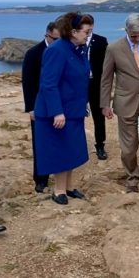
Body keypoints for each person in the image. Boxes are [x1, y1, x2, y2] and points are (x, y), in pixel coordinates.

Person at [100, 13, 139, 200]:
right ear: (126, 30)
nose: (137, 39)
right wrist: (105, 104)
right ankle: (132, 178)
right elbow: (106, 79)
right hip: (125, 102)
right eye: (134, 35)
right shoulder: (113, 48)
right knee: (129, 146)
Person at [33, 12, 93, 205]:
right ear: (74, 31)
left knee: (72, 150)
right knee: (61, 150)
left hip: (73, 110)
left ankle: (68, 186)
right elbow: (48, 84)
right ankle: (58, 190)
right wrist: (57, 111)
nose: (88, 35)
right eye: (86, 31)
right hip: (58, 113)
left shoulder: (78, 49)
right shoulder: (57, 50)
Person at [21, 21, 60, 193]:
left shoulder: (63, 52)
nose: (58, 43)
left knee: (59, 141)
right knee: (40, 143)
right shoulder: (33, 53)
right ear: (47, 35)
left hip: (59, 104)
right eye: (54, 39)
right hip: (39, 106)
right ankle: (40, 179)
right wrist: (31, 108)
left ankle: (60, 176)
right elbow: (28, 83)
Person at [86, 16, 109, 160]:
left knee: (98, 116)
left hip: (95, 83)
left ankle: (100, 145)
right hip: (78, 84)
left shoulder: (101, 41)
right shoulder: (73, 42)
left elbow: (106, 66)